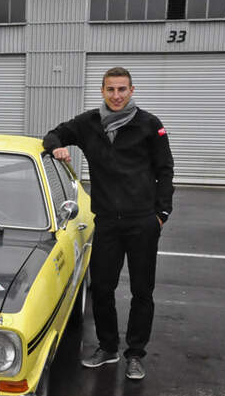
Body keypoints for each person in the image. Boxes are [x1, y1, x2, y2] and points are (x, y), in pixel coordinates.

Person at [43, 67, 174, 380]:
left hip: (142, 221)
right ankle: (108, 347)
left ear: (132, 91)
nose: (117, 96)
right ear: (102, 91)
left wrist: (161, 214)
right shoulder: (88, 124)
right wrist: (56, 147)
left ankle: (135, 354)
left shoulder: (149, 124)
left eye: (122, 89)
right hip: (107, 223)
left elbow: (165, 169)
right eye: (111, 90)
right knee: (102, 287)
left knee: (143, 291)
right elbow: (53, 135)